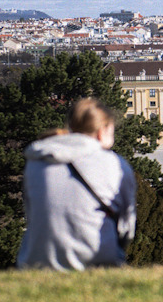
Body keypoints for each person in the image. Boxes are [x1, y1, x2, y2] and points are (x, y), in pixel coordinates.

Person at [17, 98, 136, 270]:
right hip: (95, 259)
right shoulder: (116, 165)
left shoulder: (36, 159)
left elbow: (31, 214)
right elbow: (127, 227)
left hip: (36, 262)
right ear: (102, 131)